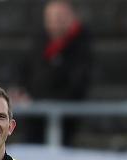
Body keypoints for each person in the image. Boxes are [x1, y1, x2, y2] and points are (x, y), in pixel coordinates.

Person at [13, 0, 92, 145]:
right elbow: (24, 70)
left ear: (71, 17)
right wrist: (20, 92)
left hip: (64, 121)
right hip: (33, 119)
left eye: (60, 17)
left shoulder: (81, 46)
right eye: (51, 17)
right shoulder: (39, 42)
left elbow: (77, 85)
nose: (55, 22)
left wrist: (38, 101)